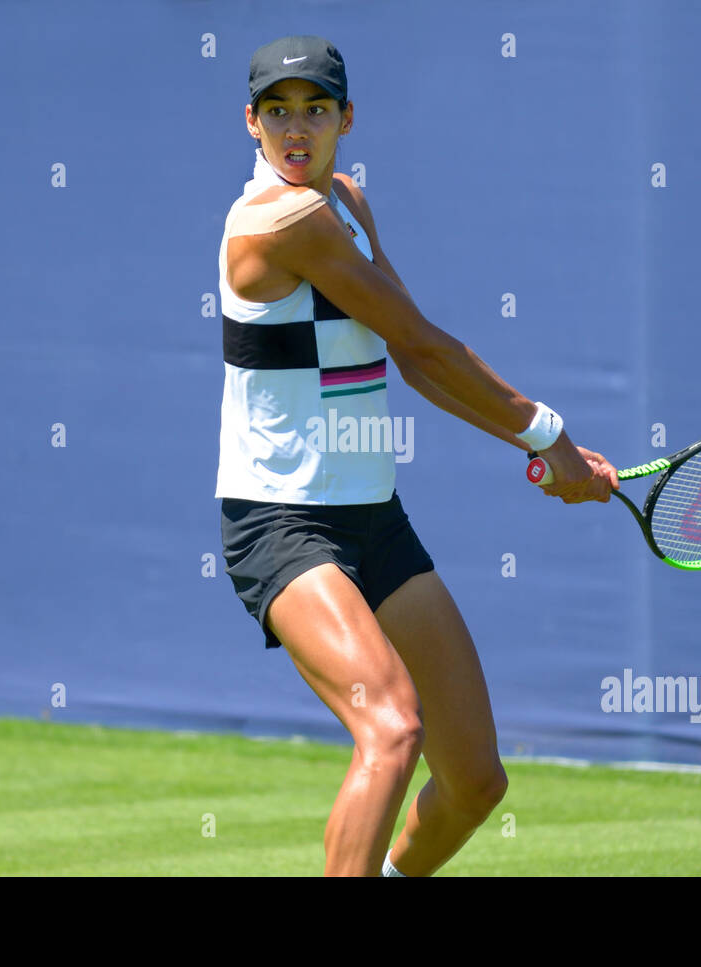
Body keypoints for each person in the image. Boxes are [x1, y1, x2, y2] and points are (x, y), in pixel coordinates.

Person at [216, 35, 619, 876]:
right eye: (279, 112)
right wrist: (549, 437)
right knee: (391, 726)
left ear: (347, 120)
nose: (298, 130)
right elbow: (429, 348)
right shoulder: (279, 221)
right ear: (250, 124)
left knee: (473, 779)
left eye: (316, 110)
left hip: (375, 519)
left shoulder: (349, 205)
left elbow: (407, 354)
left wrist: (538, 445)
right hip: (282, 525)